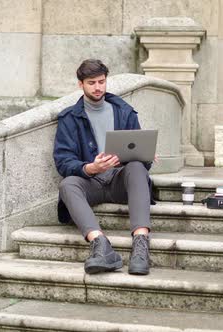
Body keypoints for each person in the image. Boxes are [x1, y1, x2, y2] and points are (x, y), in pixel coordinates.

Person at [53, 59, 153, 275]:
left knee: (137, 167)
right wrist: (90, 168)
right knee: (68, 184)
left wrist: (146, 155)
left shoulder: (124, 112)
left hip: (120, 181)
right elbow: (63, 161)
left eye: (101, 81)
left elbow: (142, 162)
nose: (98, 87)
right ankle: (101, 245)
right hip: (91, 182)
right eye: (92, 83)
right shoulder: (69, 118)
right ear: (81, 84)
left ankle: (141, 246)